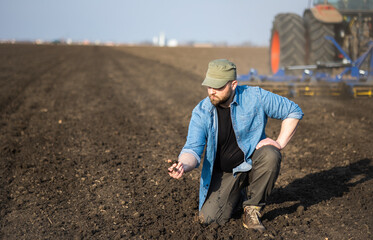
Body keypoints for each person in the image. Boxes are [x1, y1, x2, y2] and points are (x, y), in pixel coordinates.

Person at [168, 59, 303, 231]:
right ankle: (238, 195)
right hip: (225, 173)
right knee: (209, 219)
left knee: (271, 154)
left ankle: (253, 209)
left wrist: (279, 142)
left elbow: (293, 111)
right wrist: (183, 166)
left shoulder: (255, 97)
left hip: (252, 162)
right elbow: (192, 149)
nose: (212, 92)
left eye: (218, 87)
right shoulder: (202, 111)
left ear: (233, 84)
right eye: (209, 86)